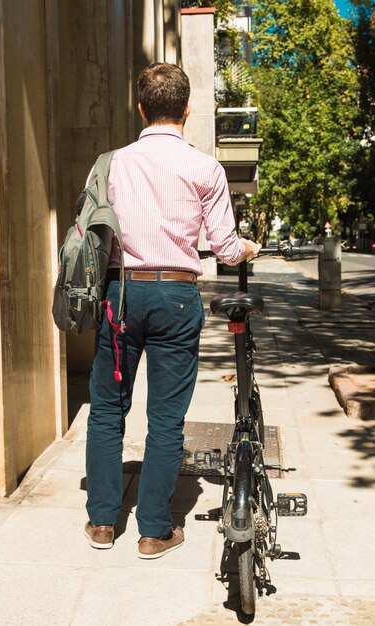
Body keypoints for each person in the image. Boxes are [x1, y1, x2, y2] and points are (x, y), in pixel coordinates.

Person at [85, 63, 261, 559]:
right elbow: (225, 249)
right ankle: (154, 530)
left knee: (107, 410)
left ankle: (101, 522)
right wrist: (248, 248)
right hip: (176, 296)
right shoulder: (205, 167)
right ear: (187, 109)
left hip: (120, 293)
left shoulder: (110, 163)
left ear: (140, 109)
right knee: (165, 419)